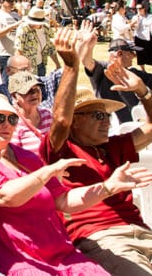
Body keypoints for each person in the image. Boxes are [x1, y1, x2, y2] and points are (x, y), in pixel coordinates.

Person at [0, 91, 148, 276]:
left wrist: (107, 188)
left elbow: (63, 200)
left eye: (12, 119)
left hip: (60, 253)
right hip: (19, 257)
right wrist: (47, 172)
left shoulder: (25, 156)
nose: (6, 124)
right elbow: (5, 197)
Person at [40, 27, 152, 275]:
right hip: (102, 238)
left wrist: (143, 91)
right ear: (76, 120)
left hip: (142, 231)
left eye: (108, 115)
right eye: (98, 115)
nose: (107, 121)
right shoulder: (61, 149)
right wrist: (71, 66)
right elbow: (59, 120)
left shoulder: (112, 146)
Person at [8, 72, 50, 155]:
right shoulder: (11, 124)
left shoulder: (48, 115)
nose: (34, 94)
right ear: (14, 96)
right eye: (28, 91)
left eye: (37, 89)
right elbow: (14, 159)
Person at [15, 7, 58, 77]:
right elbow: (19, 50)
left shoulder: (46, 29)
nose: (32, 24)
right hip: (28, 68)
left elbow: (50, 48)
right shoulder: (23, 29)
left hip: (41, 65)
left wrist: (57, 65)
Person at [0, 0, 22, 81]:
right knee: (6, 82)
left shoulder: (16, 15)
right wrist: (15, 25)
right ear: (1, 1)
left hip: (18, 53)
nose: (12, 3)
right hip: (5, 54)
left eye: (13, 0)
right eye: (9, 1)